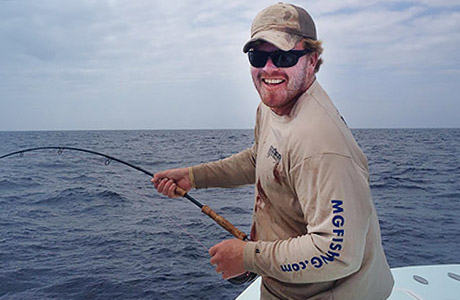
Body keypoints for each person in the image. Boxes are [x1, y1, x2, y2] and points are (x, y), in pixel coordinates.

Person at [152, 3, 394, 299]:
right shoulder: (273, 106)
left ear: (313, 61)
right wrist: (194, 176)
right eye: (258, 56)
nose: (269, 69)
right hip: (287, 285)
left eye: (284, 56)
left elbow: (338, 253)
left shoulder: (321, 144)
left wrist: (248, 256)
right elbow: (261, 158)